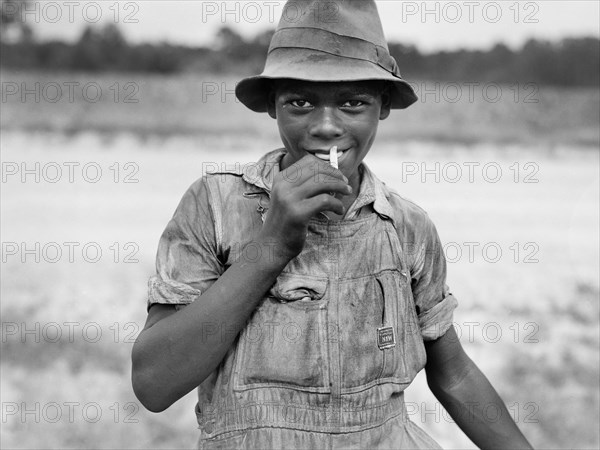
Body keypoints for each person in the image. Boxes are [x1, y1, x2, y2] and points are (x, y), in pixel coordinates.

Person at [132, 1, 534, 448]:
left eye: (352, 103)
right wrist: (273, 245)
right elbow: (154, 384)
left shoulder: (404, 226)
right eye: (300, 102)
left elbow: (454, 375)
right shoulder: (215, 205)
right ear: (272, 106)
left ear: (382, 107)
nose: (326, 127)